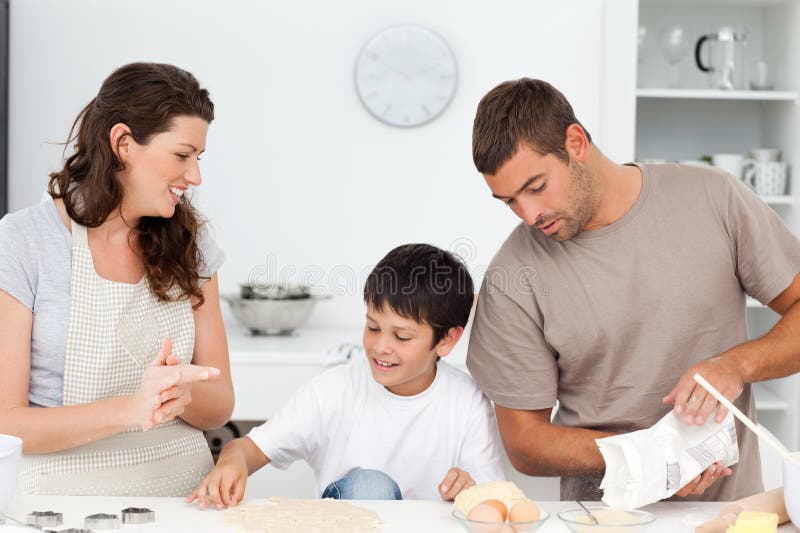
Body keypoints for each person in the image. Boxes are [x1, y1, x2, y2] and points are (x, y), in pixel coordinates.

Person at [466, 78, 800, 502]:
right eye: (509, 201)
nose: (528, 214)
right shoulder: (512, 277)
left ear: (576, 143)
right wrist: (649, 459)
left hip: (730, 518)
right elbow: (524, 442)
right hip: (599, 522)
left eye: (535, 187)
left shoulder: (714, 200)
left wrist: (736, 365)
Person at [0, 62, 234, 496]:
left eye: (198, 159)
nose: (195, 176)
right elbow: (6, 422)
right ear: (123, 143)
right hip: (61, 499)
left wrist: (181, 394)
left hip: (183, 495)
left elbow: (220, 403)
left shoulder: (191, 243)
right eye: (182, 155)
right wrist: (132, 409)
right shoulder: (24, 241)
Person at [188, 244, 504, 509]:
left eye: (402, 337)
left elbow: (493, 500)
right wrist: (232, 459)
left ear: (447, 340)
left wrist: (470, 490)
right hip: (352, 523)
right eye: (373, 327)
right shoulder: (334, 390)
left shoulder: (467, 401)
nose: (380, 347)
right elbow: (248, 448)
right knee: (372, 487)